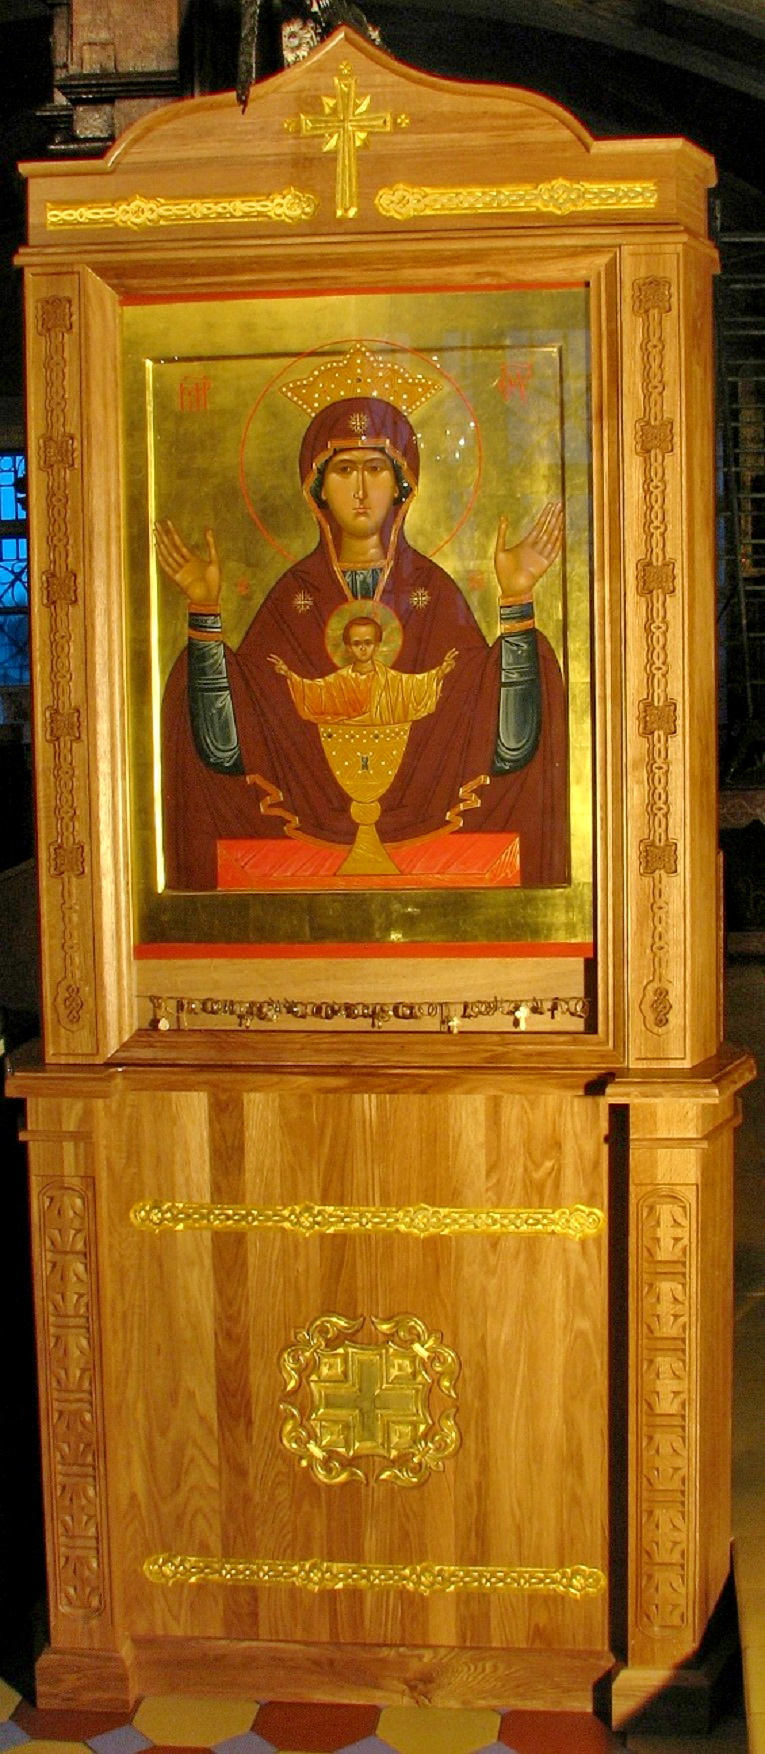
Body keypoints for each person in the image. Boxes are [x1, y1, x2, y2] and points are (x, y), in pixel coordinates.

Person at [157, 394, 567, 889]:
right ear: (317, 487)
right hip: (304, 848)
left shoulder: (434, 593)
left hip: (432, 844)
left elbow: (503, 743)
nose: (360, 490)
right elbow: (230, 747)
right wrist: (204, 611)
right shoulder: (293, 597)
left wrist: (517, 601)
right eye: (343, 470)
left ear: (400, 485)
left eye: (375, 469)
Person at [268, 613, 458, 725]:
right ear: (348, 647)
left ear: (377, 645)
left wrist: (441, 671)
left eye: (368, 642)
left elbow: (413, 686)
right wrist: (288, 674)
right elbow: (315, 691)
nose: (363, 648)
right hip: (346, 741)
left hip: (384, 743)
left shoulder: (390, 679)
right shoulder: (339, 680)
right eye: (357, 643)